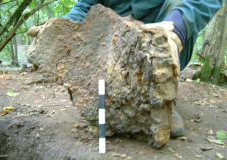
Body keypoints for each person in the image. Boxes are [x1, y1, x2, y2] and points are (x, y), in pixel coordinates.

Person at [28, 0, 224, 137]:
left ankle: (161, 100)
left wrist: (177, 28)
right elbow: (85, 7)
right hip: (115, 44)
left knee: (177, 4)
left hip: (167, 33)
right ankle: (113, 102)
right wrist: (60, 28)